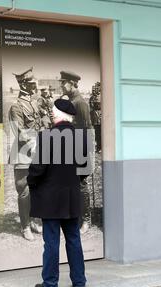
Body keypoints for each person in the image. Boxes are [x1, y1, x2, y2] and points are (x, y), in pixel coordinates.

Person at [27, 98, 89, 287]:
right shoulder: (80, 138)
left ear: (60, 115)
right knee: (74, 239)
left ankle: (51, 286)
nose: (52, 113)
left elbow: (38, 169)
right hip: (71, 198)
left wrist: (31, 181)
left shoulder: (47, 137)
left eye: (54, 111)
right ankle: (80, 283)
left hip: (50, 199)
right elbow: (84, 170)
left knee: (51, 242)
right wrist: (72, 181)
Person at [8, 67, 43, 241]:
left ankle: (36, 221)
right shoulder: (16, 106)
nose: (34, 86)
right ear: (23, 85)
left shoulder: (34, 103)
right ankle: (25, 226)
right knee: (24, 190)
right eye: (31, 83)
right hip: (23, 153)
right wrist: (34, 145)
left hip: (36, 150)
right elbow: (19, 131)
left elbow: (38, 124)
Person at [59, 70, 93, 234]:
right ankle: (75, 216)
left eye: (63, 82)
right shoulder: (69, 101)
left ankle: (86, 220)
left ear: (72, 84)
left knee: (81, 184)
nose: (61, 85)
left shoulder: (80, 103)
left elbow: (87, 129)